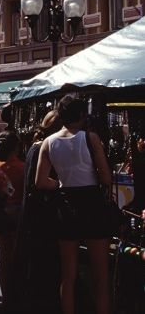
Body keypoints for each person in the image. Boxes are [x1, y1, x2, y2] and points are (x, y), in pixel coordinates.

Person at [35, 95, 112, 314]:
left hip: (66, 204)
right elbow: (106, 177)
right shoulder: (90, 138)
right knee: (101, 274)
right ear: (81, 115)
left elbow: (40, 182)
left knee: (67, 275)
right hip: (92, 204)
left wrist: (60, 183)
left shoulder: (48, 142)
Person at [11, 110, 62, 314]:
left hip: (31, 211)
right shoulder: (45, 147)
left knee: (31, 260)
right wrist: (61, 184)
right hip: (40, 213)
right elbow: (39, 182)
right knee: (39, 262)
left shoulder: (34, 146)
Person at [0, 130, 25, 310]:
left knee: (4, 257)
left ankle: (6, 296)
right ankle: (15, 294)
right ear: (16, 147)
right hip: (17, 215)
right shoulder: (22, 167)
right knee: (15, 257)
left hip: (0, 214)